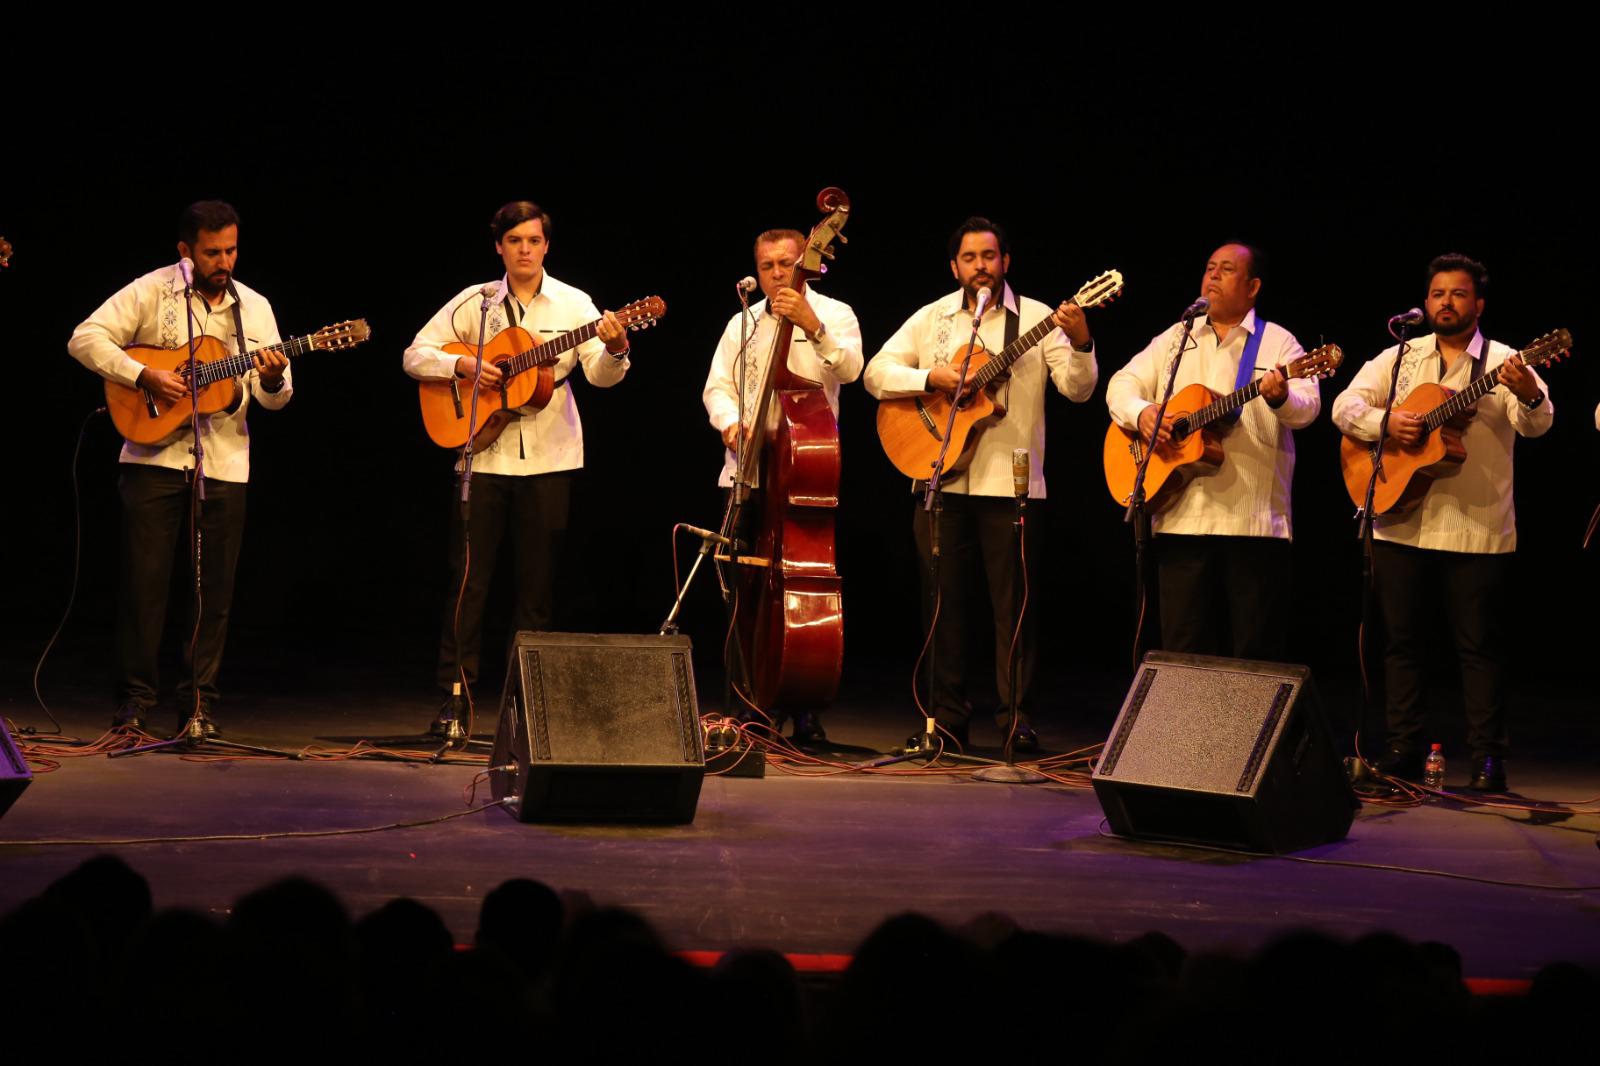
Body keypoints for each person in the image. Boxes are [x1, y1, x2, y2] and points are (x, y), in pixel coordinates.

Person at [864, 216, 1097, 753]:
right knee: (942, 607)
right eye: (969, 258)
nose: (980, 266)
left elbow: (1078, 390)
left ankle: (1016, 720)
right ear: (955, 267)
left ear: (1006, 261)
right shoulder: (933, 318)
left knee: (1013, 611)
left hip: (1010, 486)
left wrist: (1082, 341)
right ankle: (945, 722)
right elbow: (876, 373)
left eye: (989, 256)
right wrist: (933, 377)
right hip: (939, 481)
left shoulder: (1037, 318)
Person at [403, 201, 631, 731]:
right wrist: (462, 363)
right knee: (468, 583)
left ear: (546, 246)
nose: (524, 250)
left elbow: (600, 377)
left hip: (550, 458)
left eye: (533, 240)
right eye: (514, 241)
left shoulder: (574, 304)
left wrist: (616, 349)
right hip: (483, 455)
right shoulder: (475, 301)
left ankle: (525, 704)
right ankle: (455, 698)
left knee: (536, 591)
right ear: (499, 247)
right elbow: (414, 355)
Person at [68, 200, 291, 735]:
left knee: (213, 593)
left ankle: (198, 705)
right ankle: (134, 702)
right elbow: (84, 337)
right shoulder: (152, 290)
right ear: (186, 251)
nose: (224, 262)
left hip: (224, 464)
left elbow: (277, 399)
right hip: (153, 457)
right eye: (212, 252)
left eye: (231, 250)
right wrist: (143, 375)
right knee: (143, 587)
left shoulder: (255, 308)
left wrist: (273, 378)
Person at [1332, 253, 1552, 793]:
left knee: (1479, 649)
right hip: (1400, 522)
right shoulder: (1400, 357)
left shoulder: (1506, 360)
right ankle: (1404, 748)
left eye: (1457, 293)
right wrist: (1387, 421)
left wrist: (1527, 391)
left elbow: (1539, 424)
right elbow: (1343, 406)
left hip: (1477, 528)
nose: (1445, 302)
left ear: (1479, 304)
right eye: (1437, 294)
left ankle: (1487, 758)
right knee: (1402, 644)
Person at [1106, 243, 1318, 661]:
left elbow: (1308, 409)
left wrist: (1280, 398)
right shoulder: (1177, 337)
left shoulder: (1279, 342)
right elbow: (1121, 384)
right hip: (1181, 518)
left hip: (1253, 523)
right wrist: (1143, 413)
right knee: (1183, 652)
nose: (1213, 276)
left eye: (1226, 269)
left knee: (1253, 652)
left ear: (1253, 287)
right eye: (1209, 268)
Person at [702, 228, 863, 744]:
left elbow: (852, 370)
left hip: (803, 473)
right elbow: (717, 387)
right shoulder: (743, 322)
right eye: (767, 265)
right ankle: (749, 701)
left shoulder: (835, 313)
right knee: (743, 594)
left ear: (806, 264)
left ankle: (802, 703)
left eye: (786, 264)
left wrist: (812, 325)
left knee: (800, 590)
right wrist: (731, 423)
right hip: (746, 473)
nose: (777, 274)